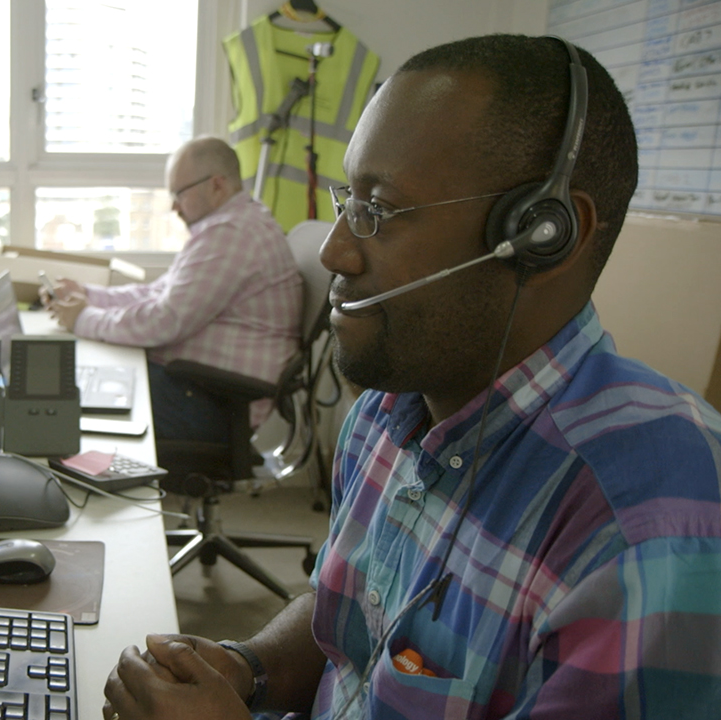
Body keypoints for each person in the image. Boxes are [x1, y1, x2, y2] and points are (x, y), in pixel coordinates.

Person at [103, 34, 721, 720]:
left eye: (379, 210)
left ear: (543, 233)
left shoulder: (647, 533)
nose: (337, 248)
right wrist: (247, 668)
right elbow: (346, 623)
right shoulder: (385, 413)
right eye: (347, 200)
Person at [41, 137, 301, 441]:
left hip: (215, 403)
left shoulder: (232, 234)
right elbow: (158, 293)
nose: (174, 206)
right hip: (199, 388)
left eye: (180, 193)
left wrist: (85, 318)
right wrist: (89, 296)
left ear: (217, 185)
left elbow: (164, 320)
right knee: (89, 375)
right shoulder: (228, 226)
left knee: (73, 397)